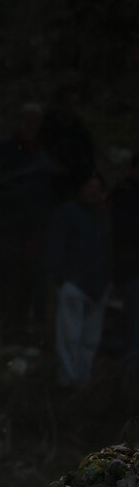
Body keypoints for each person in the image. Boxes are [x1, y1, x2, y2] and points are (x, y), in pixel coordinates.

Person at [0, 103, 55, 337]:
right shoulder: (1, 151)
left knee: (28, 283)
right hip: (6, 229)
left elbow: (46, 195)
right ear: (18, 122)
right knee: (4, 280)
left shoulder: (42, 155)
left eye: (35, 122)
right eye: (27, 120)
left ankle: (20, 334)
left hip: (33, 233)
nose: (30, 126)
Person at [47, 172, 110, 386]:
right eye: (89, 186)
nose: (93, 192)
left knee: (90, 339)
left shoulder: (104, 216)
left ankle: (82, 381)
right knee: (69, 336)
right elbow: (56, 245)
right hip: (73, 283)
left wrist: (108, 280)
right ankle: (67, 381)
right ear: (81, 188)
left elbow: (109, 249)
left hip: (99, 285)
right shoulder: (68, 213)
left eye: (97, 188)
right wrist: (62, 278)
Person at [111, 155, 139, 386]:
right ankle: (130, 381)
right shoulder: (123, 194)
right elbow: (123, 231)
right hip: (131, 271)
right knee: (133, 329)